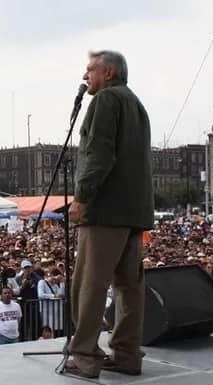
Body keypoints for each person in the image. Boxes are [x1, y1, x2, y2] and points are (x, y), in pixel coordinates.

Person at [66, 50, 153, 378]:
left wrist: (82, 196)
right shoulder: (136, 104)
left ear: (110, 72)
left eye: (91, 69)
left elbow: (98, 153)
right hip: (134, 212)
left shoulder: (104, 101)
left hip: (106, 211)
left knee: (89, 283)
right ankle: (127, 353)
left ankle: (86, 356)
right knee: (129, 286)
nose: (85, 76)